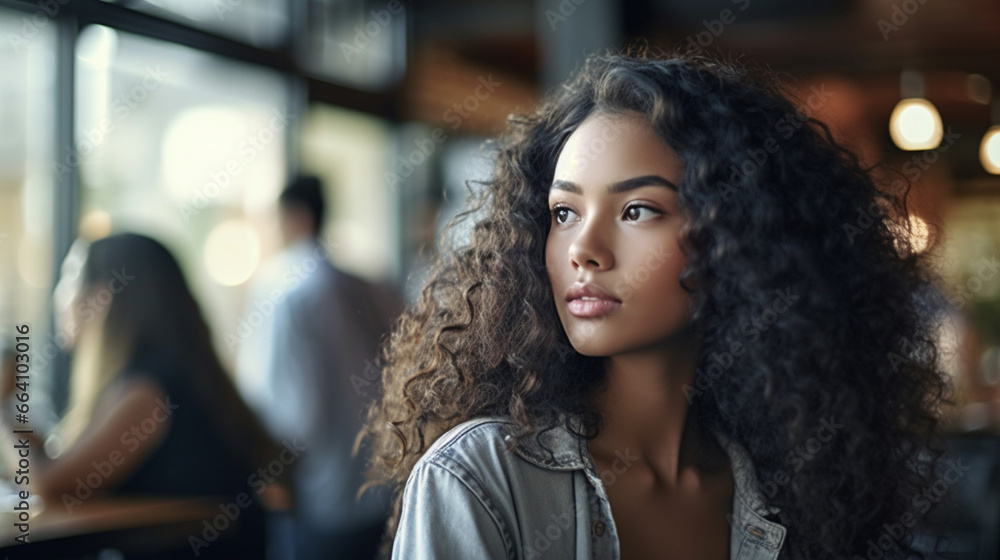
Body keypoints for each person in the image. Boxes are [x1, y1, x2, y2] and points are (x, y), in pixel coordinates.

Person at [356, 49, 954, 560]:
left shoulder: (801, 484)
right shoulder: (479, 478)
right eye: (564, 213)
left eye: (637, 210)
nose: (583, 250)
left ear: (739, 239)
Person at [0, 233, 284, 558]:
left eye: (68, 280)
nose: (58, 296)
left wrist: (4, 409)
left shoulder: (147, 393)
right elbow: (60, 466)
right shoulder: (173, 377)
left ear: (102, 297)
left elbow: (47, 484)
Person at [235, 176, 402, 560]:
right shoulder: (372, 287)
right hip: (384, 491)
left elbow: (288, 413)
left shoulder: (284, 291)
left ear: (297, 218)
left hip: (320, 499)